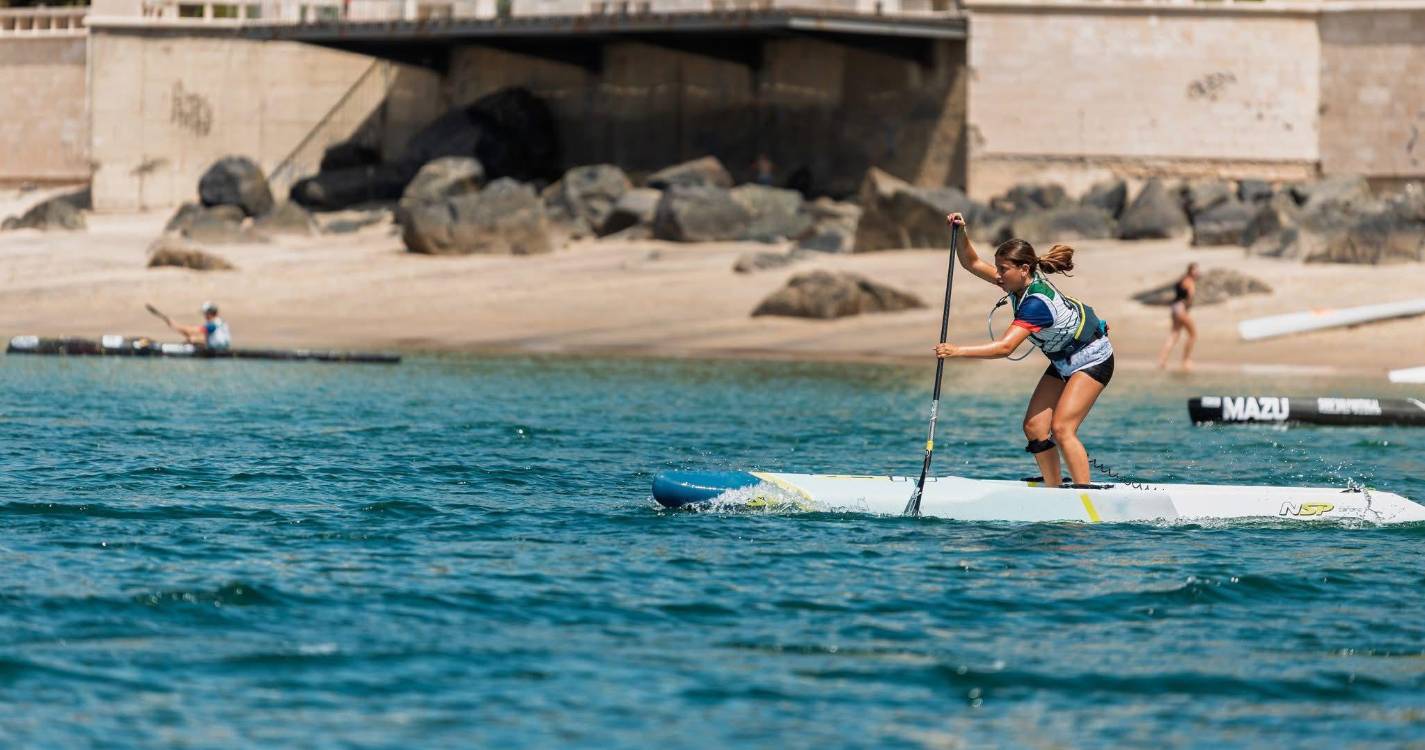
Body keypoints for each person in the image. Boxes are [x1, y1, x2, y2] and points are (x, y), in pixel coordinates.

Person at [933, 213, 1114, 488]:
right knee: (1034, 427)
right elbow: (970, 262)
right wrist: (960, 233)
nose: (998, 275)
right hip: (1063, 360)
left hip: (1092, 358)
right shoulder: (1016, 283)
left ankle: (1084, 495)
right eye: (998, 268)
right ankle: (1054, 487)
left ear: (1024, 269)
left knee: (1063, 428)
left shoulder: (1035, 304)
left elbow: (1005, 348)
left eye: (1003, 269)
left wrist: (957, 351)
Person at [1156, 262, 1198, 371]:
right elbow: (1190, 298)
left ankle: (1162, 360)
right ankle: (1186, 360)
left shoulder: (1181, 280)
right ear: (1191, 271)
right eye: (1196, 270)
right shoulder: (1190, 282)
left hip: (1174, 307)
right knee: (1192, 335)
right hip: (1181, 309)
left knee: (1174, 334)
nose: (1197, 273)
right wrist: (1187, 308)